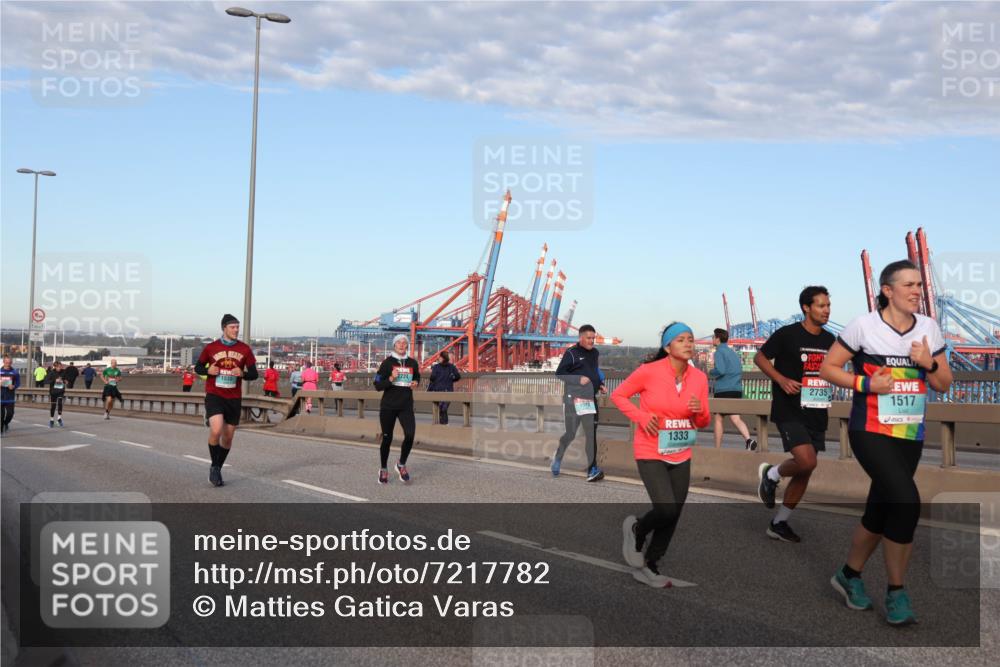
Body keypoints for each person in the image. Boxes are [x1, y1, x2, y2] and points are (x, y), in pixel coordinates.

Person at [820, 260, 952, 626]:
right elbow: (828, 369)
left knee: (880, 510)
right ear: (887, 290)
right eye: (908, 285)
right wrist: (866, 384)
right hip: (870, 430)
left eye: (919, 286)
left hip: (909, 434)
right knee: (906, 502)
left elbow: (944, 383)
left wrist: (929, 363)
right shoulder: (863, 326)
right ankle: (897, 593)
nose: (916, 291)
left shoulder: (928, 328)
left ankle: (848, 575)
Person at [612, 322, 711, 587]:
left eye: (690, 339)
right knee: (665, 508)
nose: (688, 344)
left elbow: (703, 421)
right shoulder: (649, 372)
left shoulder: (699, 378)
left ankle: (651, 563)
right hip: (650, 449)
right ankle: (637, 529)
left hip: (681, 451)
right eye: (681, 340)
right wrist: (642, 417)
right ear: (668, 347)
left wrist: (699, 409)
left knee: (674, 513)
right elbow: (619, 396)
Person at [753, 286, 835, 543]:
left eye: (828, 305)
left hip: (817, 409)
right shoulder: (787, 334)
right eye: (821, 305)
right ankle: (771, 474)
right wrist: (781, 379)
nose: (826, 310)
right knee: (808, 461)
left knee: (804, 470)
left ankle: (779, 523)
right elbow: (760, 357)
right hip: (790, 408)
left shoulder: (830, 340)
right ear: (806, 308)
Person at [194, 314, 259, 487]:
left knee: (228, 438)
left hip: (234, 398)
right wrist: (209, 371)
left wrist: (243, 374)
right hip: (215, 395)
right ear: (224, 328)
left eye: (238, 327)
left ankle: (216, 467)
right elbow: (198, 367)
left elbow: (254, 374)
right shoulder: (211, 348)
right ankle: (215, 468)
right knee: (216, 430)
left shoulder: (244, 349)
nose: (236, 330)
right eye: (233, 327)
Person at [553, 324, 606, 482]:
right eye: (589, 338)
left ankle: (592, 469)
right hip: (573, 400)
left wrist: (600, 384)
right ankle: (557, 458)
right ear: (581, 338)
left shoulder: (594, 353)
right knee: (570, 434)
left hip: (590, 400)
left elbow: (593, 370)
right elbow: (560, 373)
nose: (592, 341)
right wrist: (578, 379)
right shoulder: (571, 353)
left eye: (593, 338)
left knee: (591, 435)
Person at [373, 334, 420, 484]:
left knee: (410, 435)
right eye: (398, 342)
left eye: (404, 342)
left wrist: (415, 383)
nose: (401, 345)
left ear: (407, 346)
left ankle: (401, 464)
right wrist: (391, 379)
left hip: (406, 405)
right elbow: (377, 385)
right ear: (394, 345)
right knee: (387, 438)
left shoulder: (412, 362)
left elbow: (417, 377)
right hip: (388, 406)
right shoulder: (387, 363)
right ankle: (383, 469)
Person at [709, 328, 758, 451]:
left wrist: (711, 371)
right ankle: (748, 440)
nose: (712, 339)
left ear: (718, 339)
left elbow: (721, 370)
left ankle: (717, 449)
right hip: (736, 389)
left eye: (713, 337)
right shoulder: (733, 353)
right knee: (736, 418)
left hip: (724, 390)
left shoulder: (719, 352)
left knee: (719, 419)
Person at [427, 351, 461, 424]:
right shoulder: (452, 367)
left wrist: (430, 389)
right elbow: (458, 377)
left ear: (442, 358)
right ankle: (444, 424)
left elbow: (432, 378)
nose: (438, 358)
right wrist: (452, 379)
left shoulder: (436, 367)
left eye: (439, 357)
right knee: (444, 409)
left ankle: (441, 425)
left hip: (437, 390)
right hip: (448, 391)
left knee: (440, 409)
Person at [1, 355, 21, 432]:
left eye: (9, 363)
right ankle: (1, 430)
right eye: (6, 362)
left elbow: (18, 383)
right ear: (3, 362)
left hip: (10, 397)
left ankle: (5, 423)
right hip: (1, 396)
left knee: (10, 414)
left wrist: (14, 386)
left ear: (11, 363)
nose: (8, 364)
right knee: (1, 415)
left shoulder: (15, 372)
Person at [46, 360, 68, 427]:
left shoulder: (63, 372)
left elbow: (65, 379)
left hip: (60, 391)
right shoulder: (51, 373)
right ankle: (51, 420)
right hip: (53, 392)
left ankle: (59, 418)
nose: (60, 368)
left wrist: (65, 381)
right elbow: (46, 381)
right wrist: (54, 380)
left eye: (60, 367)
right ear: (55, 367)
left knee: (60, 403)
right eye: (58, 367)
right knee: (53, 406)